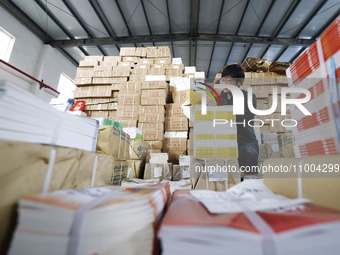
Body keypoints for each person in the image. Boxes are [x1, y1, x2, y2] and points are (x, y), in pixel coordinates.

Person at [215, 64, 259, 174]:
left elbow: (245, 120)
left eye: (229, 81)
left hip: (244, 140)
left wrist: (224, 111)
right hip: (223, 141)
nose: (225, 84)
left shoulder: (249, 97)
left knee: (248, 153)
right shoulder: (217, 100)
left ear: (240, 82)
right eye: (223, 80)